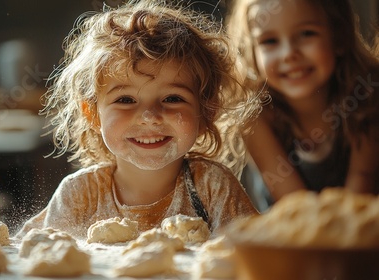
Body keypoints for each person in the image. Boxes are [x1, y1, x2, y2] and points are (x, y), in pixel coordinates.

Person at [16, 0, 261, 240]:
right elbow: (41, 261)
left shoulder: (212, 187)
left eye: (173, 98)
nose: (149, 117)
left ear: (206, 112)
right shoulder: (80, 195)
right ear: (92, 114)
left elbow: (257, 258)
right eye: (125, 100)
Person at [227, 0, 379, 211]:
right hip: (293, 235)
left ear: (340, 37)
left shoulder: (367, 96)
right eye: (270, 41)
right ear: (252, 55)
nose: (289, 54)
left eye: (307, 33)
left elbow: (359, 192)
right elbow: (297, 205)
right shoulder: (253, 117)